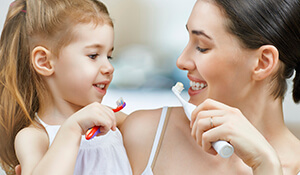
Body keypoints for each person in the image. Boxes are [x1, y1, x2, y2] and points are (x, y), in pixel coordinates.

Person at [121, 0, 300, 174]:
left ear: (263, 62)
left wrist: (265, 165)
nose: (181, 61)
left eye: (202, 47)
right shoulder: (145, 135)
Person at [0, 0, 132, 174]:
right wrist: (72, 129)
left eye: (109, 56)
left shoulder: (114, 121)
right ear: (44, 62)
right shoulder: (35, 138)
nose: (109, 68)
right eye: (93, 56)